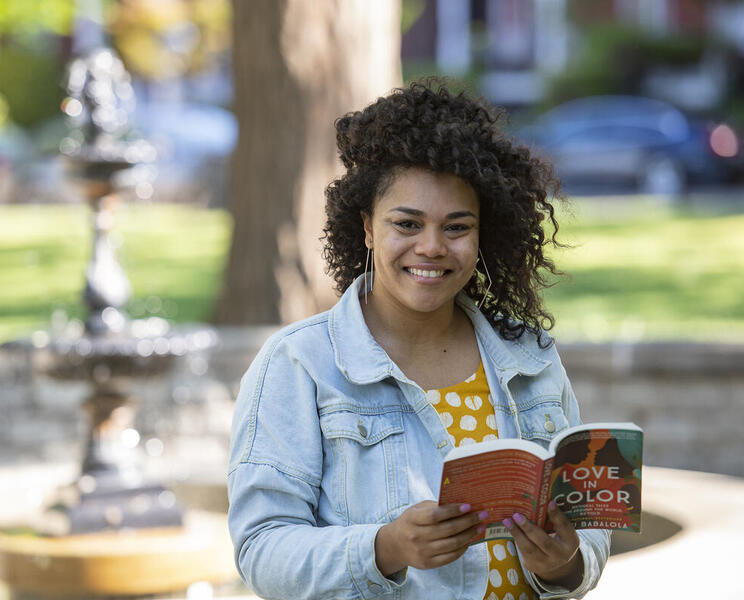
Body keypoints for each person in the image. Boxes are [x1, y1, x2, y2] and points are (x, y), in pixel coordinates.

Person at [227, 81, 610, 600]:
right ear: (366, 228)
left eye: (457, 227)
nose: (431, 247)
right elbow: (261, 550)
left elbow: (587, 529)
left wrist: (565, 563)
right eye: (407, 223)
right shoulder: (300, 364)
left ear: (482, 235)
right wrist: (384, 549)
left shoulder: (530, 356)